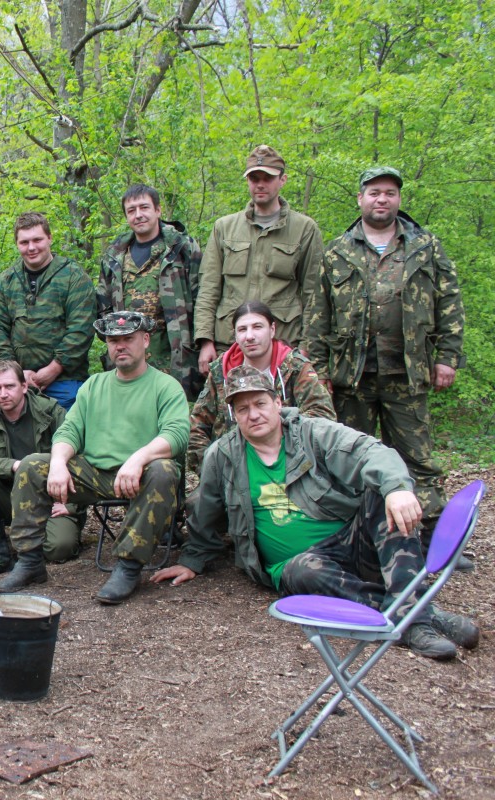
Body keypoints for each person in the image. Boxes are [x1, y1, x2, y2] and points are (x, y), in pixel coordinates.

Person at [153, 365, 479, 660]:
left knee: (384, 497)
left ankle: (414, 613)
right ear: (234, 416)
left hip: (350, 543)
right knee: (304, 570)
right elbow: (205, 510)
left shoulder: (314, 433)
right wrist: (191, 560)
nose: (253, 414)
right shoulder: (221, 456)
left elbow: (370, 452)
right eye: (242, 409)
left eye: (260, 404)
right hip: (298, 566)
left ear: (277, 403)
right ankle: (419, 616)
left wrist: (396, 488)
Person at [306, 166, 465, 564]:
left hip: (408, 372)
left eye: (390, 193)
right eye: (374, 192)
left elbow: (450, 305)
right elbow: (317, 316)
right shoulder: (338, 251)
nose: (382, 199)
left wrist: (447, 358)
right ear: (360, 199)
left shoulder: (426, 247)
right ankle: (357, 536)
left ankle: (432, 537)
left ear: (398, 200)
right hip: (351, 375)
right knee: (348, 459)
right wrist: (318, 371)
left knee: (418, 458)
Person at [0, 311, 188, 604]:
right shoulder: (94, 385)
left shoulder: (165, 386)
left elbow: (177, 435)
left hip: (142, 476)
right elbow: (69, 432)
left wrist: (138, 459)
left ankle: (128, 566)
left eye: (128, 339)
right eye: (114, 341)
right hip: (96, 474)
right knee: (32, 465)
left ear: (146, 340)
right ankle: (29, 561)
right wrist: (59, 463)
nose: (120, 346)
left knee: (164, 470)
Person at [194, 145, 324, 374]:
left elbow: (313, 294)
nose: (260, 184)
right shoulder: (224, 228)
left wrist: (307, 346)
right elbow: (209, 288)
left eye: (268, 178)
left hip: (284, 344)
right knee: (230, 408)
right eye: (254, 178)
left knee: (278, 408)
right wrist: (205, 340)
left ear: (282, 180)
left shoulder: (304, 229)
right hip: (231, 344)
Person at [0, 360, 75, 580]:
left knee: (58, 548)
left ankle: (30, 549)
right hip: (9, 497)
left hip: (51, 498)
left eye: (9, 386)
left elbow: (79, 457)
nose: (3, 394)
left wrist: (71, 503)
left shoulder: (50, 412)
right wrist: (14, 466)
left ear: (24, 386)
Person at [189, 301, 334, 474]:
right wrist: (211, 470)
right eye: (242, 329)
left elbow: (322, 417)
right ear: (235, 335)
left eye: (257, 327)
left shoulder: (295, 367)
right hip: (231, 467)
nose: (249, 336)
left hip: (289, 466)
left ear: (272, 330)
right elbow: (197, 426)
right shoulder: (221, 370)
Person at [98, 183, 203, 399]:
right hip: (129, 356)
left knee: (176, 414)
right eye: (131, 210)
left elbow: (202, 297)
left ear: (158, 210)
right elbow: (103, 306)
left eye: (144, 208)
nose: (138, 215)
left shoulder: (182, 248)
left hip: (175, 355)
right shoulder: (114, 255)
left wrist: (206, 341)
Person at [0, 212, 97, 410]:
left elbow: (82, 328)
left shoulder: (73, 276)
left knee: (65, 438)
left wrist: (54, 368)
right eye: (24, 242)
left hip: (65, 381)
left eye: (37, 240)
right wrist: (15, 373)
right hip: (18, 385)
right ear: (17, 244)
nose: (31, 248)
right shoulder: (6, 281)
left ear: (49, 238)